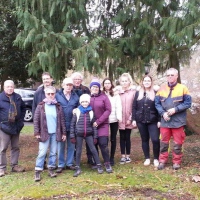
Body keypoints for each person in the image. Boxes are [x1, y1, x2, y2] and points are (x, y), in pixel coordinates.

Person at [155, 68, 192, 170]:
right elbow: (157, 104)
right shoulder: (161, 89)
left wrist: (176, 109)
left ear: (177, 76)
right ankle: (162, 161)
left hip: (178, 121)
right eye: (168, 75)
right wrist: (162, 113)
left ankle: (176, 162)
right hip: (165, 121)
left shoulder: (183, 88)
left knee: (177, 143)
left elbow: (188, 103)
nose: (170, 77)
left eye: (172, 75)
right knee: (163, 143)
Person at [34, 86, 66, 181]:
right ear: (45, 94)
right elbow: (36, 120)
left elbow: (62, 121)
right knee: (42, 152)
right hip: (44, 133)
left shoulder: (58, 106)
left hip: (55, 134)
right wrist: (37, 132)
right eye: (49, 94)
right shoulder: (41, 106)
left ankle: (51, 169)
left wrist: (64, 133)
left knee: (53, 153)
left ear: (55, 94)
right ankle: (38, 171)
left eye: (52, 93)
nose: (51, 95)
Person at [70, 94, 104, 177]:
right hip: (79, 134)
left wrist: (95, 136)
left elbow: (94, 125)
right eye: (83, 102)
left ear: (88, 102)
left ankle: (99, 165)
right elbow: (72, 125)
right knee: (78, 151)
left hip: (89, 134)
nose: (85, 103)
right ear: (80, 102)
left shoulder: (91, 112)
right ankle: (77, 167)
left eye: (86, 102)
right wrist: (72, 136)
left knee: (93, 149)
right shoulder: (77, 112)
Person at [132, 75, 160, 167]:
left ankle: (156, 158)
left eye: (148, 81)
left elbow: (159, 107)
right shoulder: (138, 93)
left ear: (151, 82)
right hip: (141, 120)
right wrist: (134, 119)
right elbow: (134, 107)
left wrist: (159, 120)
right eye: (145, 81)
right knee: (144, 139)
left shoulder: (155, 93)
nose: (147, 82)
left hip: (153, 120)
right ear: (142, 82)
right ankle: (147, 158)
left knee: (155, 139)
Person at [0, 80, 26, 177]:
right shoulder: (0, 98)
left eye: (11, 86)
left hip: (16, 127)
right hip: (4, 127)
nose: (10, 88)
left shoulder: (17, 97)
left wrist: (21, 120)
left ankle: (14, 166)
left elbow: (23, 108)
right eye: (8, 87)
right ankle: (2, 168)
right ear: (4, 87)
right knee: (3, 148)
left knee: (15, 147)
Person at [56, 77, 79, 173]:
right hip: (61, 125)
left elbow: (78, 107)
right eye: (67, 85)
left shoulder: (75, 96)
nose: (69, 86)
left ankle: (69, 163)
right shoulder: (57, 96)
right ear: (63, 85)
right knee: (61, 146)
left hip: (72, 125)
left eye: (70, 85)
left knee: (71, 145)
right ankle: (61, 164)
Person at [71, 72, 94, 166]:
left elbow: (90, 102)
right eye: (75, 79)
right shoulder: (70, 89)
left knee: (89, 141)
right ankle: (76, 160)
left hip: (86, 116)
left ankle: (90, 158)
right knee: (77, 141)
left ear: (81, 80)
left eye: (79, 79)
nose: (77, 81)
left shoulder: (86, 89)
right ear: (73, 80)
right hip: (76, 117)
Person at [90, 78, 113, 173]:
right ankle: (97, 162)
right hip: (91, 125)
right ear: (90, 88)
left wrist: (99, 121)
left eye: (96, 87)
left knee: (103, 144)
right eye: (93, 87)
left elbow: (108, 110)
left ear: (99, 88)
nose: (95, 88)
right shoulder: (88, 97)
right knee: (93, 144)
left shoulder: (104, 97)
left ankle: (107, 163)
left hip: (102, 125)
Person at [102, 78, 122, 166]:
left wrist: (119, 117)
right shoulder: (101, 94)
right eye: (105, 83)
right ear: (103, 85)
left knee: (113, 139)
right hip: (104, 120)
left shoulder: (115, 94)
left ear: (111, 84)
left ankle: (112, 157)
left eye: (108, 83)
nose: (107, 85)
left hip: (113, 119)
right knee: (104, 139)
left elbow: (118, 106)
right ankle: (105, 157)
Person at [118, 73, 136, 164]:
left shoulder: (133, 92)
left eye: (126, 81)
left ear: (129, 82)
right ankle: (122, 156)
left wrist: (131, 118)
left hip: (129, 117)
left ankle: (128, 155)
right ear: (120, 82)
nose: (124, 83)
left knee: (127, 137)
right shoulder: (117, 92)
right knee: (122, 137)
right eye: (122, 81)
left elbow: (134, 105)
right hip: (120, 118)